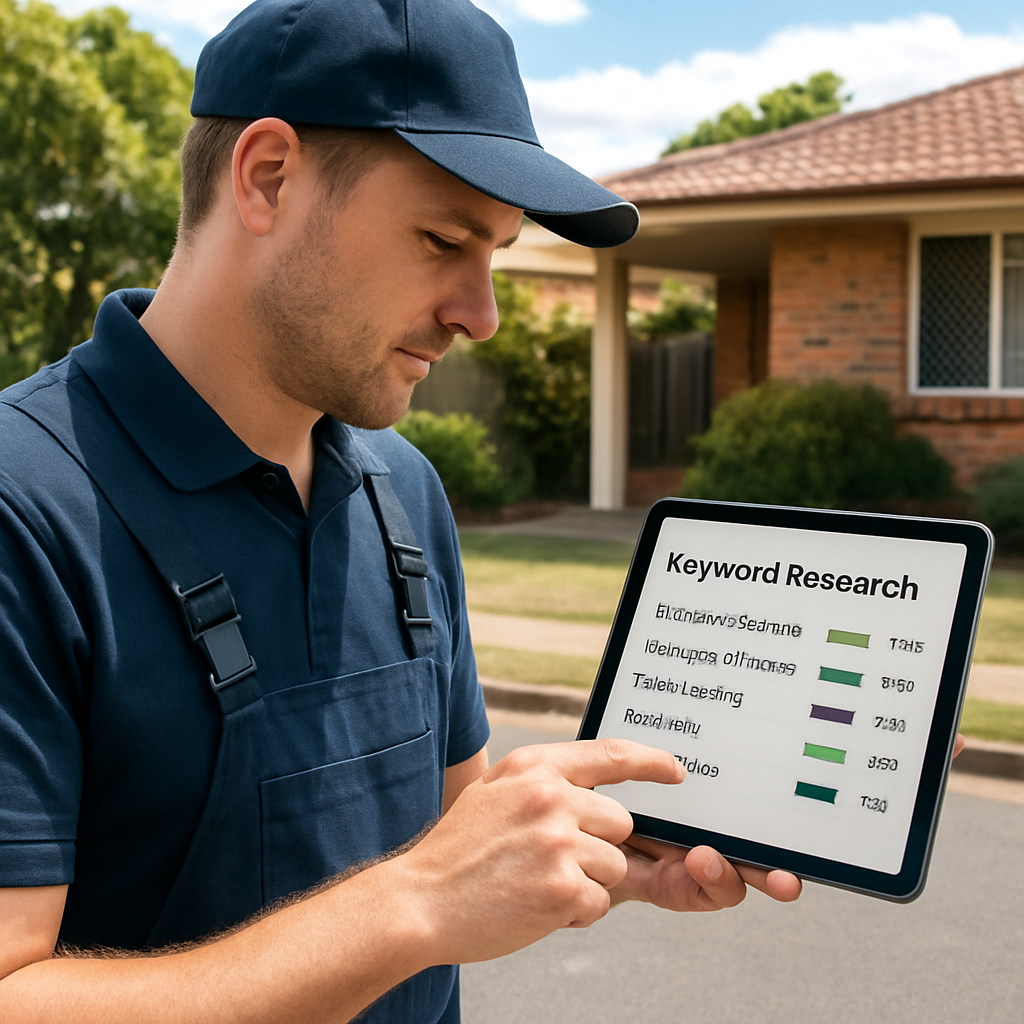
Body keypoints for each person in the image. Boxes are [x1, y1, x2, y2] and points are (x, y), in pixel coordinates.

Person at [0, 1, 804, 1020]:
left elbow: (449, 828)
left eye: (497, 254)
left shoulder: (403, 489)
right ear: (267, 177)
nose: (481, 312)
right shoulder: (24, 508)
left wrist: (605, 845)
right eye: (441, 239)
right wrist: (414, 903)